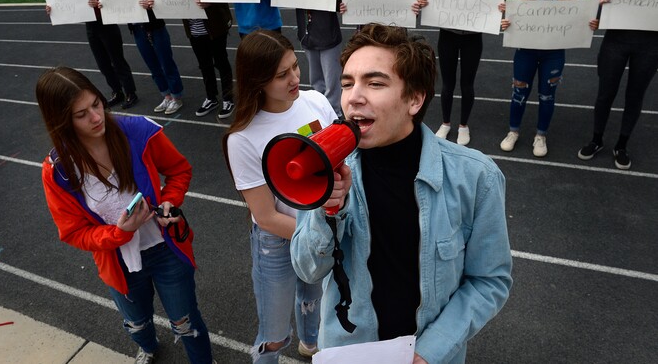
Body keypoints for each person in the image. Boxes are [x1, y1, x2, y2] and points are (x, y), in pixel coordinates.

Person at [291, 23, 512, 363]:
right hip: (350, 353)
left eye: (375, 83)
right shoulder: (327, 167)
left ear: (414, 99)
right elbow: (307, 270)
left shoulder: (476, 177)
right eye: (348, 83)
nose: (353, 96)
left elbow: (489, 280)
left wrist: (430, 350)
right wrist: (327, 210)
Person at [37, 66, 213, 364]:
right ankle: (147, 346)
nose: (96, 117)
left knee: (186, 321)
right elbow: (73, 232)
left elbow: (179, 170)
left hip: (165, 248)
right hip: (118, 261)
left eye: (96, 104)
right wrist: (120, 233)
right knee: (137, 321)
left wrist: (169, 202)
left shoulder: (139, 131)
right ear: (60, 121)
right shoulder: (59, 172)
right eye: (81, 115)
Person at [223, 30, 337, 362]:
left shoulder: (314, 100)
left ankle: (311, 344)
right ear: (257, 81)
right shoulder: (243, 138)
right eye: (281, 75)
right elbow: (266, 217)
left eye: (295, 67)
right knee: (273, 335)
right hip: (279, 241)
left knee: (312, 300)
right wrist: (321, 237)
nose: (294, 78)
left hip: (319, 226)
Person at [577, 0, 658, 170]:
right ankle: (597, 139)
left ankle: (621, 144)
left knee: (635, 96)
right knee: (605, 94)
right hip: (616, 43)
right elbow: (593, 8)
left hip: (650, 47)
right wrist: (601, 2)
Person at [499, 0, 589, 157]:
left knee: (547, 95)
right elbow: (518, 20)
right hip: (526, 51)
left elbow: (579, 21)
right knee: (518, 93)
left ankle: (541, 135)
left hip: (554, 53)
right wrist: (507, 21)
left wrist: (589, 24)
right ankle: (513, 131)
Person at [415, 0, 499, 146]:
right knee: (447, 83)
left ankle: (463, 125)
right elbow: (435, 3)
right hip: (448, 37)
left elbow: (493, 6)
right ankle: (445, 122)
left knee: (467, 84)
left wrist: (500, 6)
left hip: (472, 38)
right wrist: (426, 3)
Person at [152, 0, 235, 119]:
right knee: (204, 65)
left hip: (214, 24)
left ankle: (229, 98)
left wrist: (211, 0)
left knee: (221, 62)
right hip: (193, 28)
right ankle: (211, 97)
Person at [46, 0, 138, 109]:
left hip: (107, 26)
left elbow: (114, 3)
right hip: (91, 27)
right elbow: (68, 8)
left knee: (117, 61)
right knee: (103, 64)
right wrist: (52, 9)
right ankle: (117, 91)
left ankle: (130, 93)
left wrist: (101, 4)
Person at [121, 0, 184, 115]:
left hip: (155, 28)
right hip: (137, 29)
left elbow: (164, 4)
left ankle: (176, 96)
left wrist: (153, 4)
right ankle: (166, 95)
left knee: (166, 62)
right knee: (152, 65)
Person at [295, 0, 343, 116]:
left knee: (332, 81)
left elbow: (340, 6)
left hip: (328, 35)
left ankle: (336, 114)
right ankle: (321, 113)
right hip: (307, 34)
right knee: (316, 80)